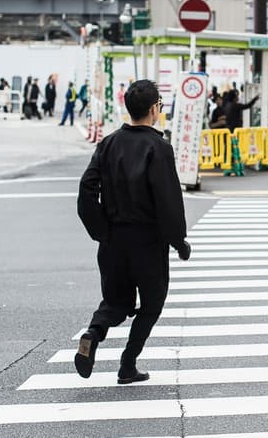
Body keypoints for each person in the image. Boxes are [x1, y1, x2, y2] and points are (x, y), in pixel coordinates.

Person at [76, 79, 191, 384]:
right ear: (155, 109)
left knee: (115, 303)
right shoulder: (158, 147)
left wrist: (101, 229)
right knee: (152, 303)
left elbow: (87, 188)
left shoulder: (109, 143)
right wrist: (178, 241)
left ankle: (93, 333)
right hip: (147, 242)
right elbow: (167, 199)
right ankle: (127, 365)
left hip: (113, 240)